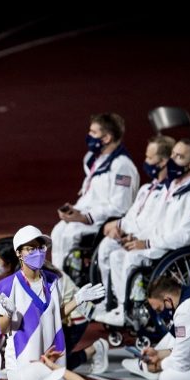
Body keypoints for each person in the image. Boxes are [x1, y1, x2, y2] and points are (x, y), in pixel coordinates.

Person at [0, 225, 105, 380]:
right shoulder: (7, 286)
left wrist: (77, 299)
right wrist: (8, 313)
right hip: (22, 358)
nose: (37, 253)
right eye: (30, 249)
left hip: (52, 355)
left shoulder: (53, 281)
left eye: (40, 248)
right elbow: (3, 328)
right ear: (19, 253)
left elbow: (55, 316)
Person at [92, 135, 173, 324]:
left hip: (154, 243)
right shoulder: (147, 188)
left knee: (125, 256)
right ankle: (112, 303)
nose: (145, 162)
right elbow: (133, 217)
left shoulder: (167, 192)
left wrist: (136, 238)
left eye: (149, 158)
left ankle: (129, 307)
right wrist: (119, 228)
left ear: (162, 161)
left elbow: (154, 223)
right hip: (136, 237)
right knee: (108, 249)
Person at [50, 113, 139, 271]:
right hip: (88, 217)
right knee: (58, 231)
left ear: (106, 138)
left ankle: (71, 283)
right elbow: (91, 196)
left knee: (69, 234)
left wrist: (85, 217)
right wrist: (75, 210)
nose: (89, 136)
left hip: (103, 222)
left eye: (93, 133)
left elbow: (120, 207)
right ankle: (60, 284)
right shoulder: (95, 160)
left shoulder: (122, 167)